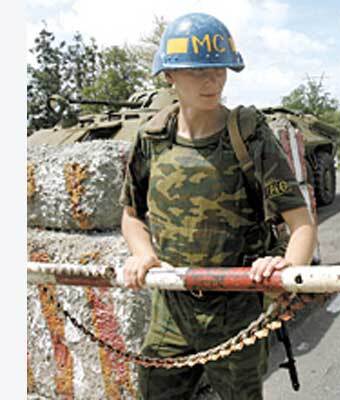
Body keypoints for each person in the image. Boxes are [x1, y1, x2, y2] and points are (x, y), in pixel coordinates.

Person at [119, 12, 316, 400]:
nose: (213, 82)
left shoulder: (249, 136)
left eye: (219, 70)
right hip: (171, 310)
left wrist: (285, 273)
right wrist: (142, 255)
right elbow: (131, 215)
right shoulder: (152, 140)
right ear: (170, 76)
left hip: (236, 311)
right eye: (197, 72)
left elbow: (302, 224)